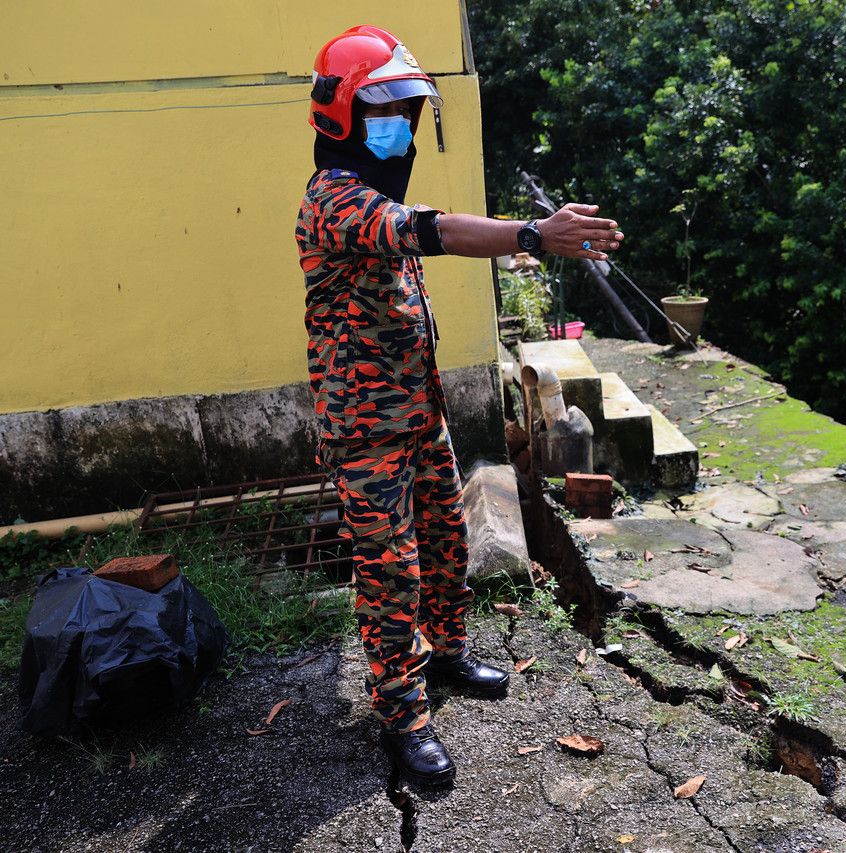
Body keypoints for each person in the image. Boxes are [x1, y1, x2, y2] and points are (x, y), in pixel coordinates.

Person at [295, 25, 623, 789]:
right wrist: (535, 234)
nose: (399, 127)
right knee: (390, 571)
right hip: (364, 431)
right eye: (385, 110)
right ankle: (401, 710)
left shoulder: (372, 190)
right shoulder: (333, 200)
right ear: (340, 115)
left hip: (418, 413)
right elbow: (430, 230)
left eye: (408, 112)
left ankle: (445, 651)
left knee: (445, 542)